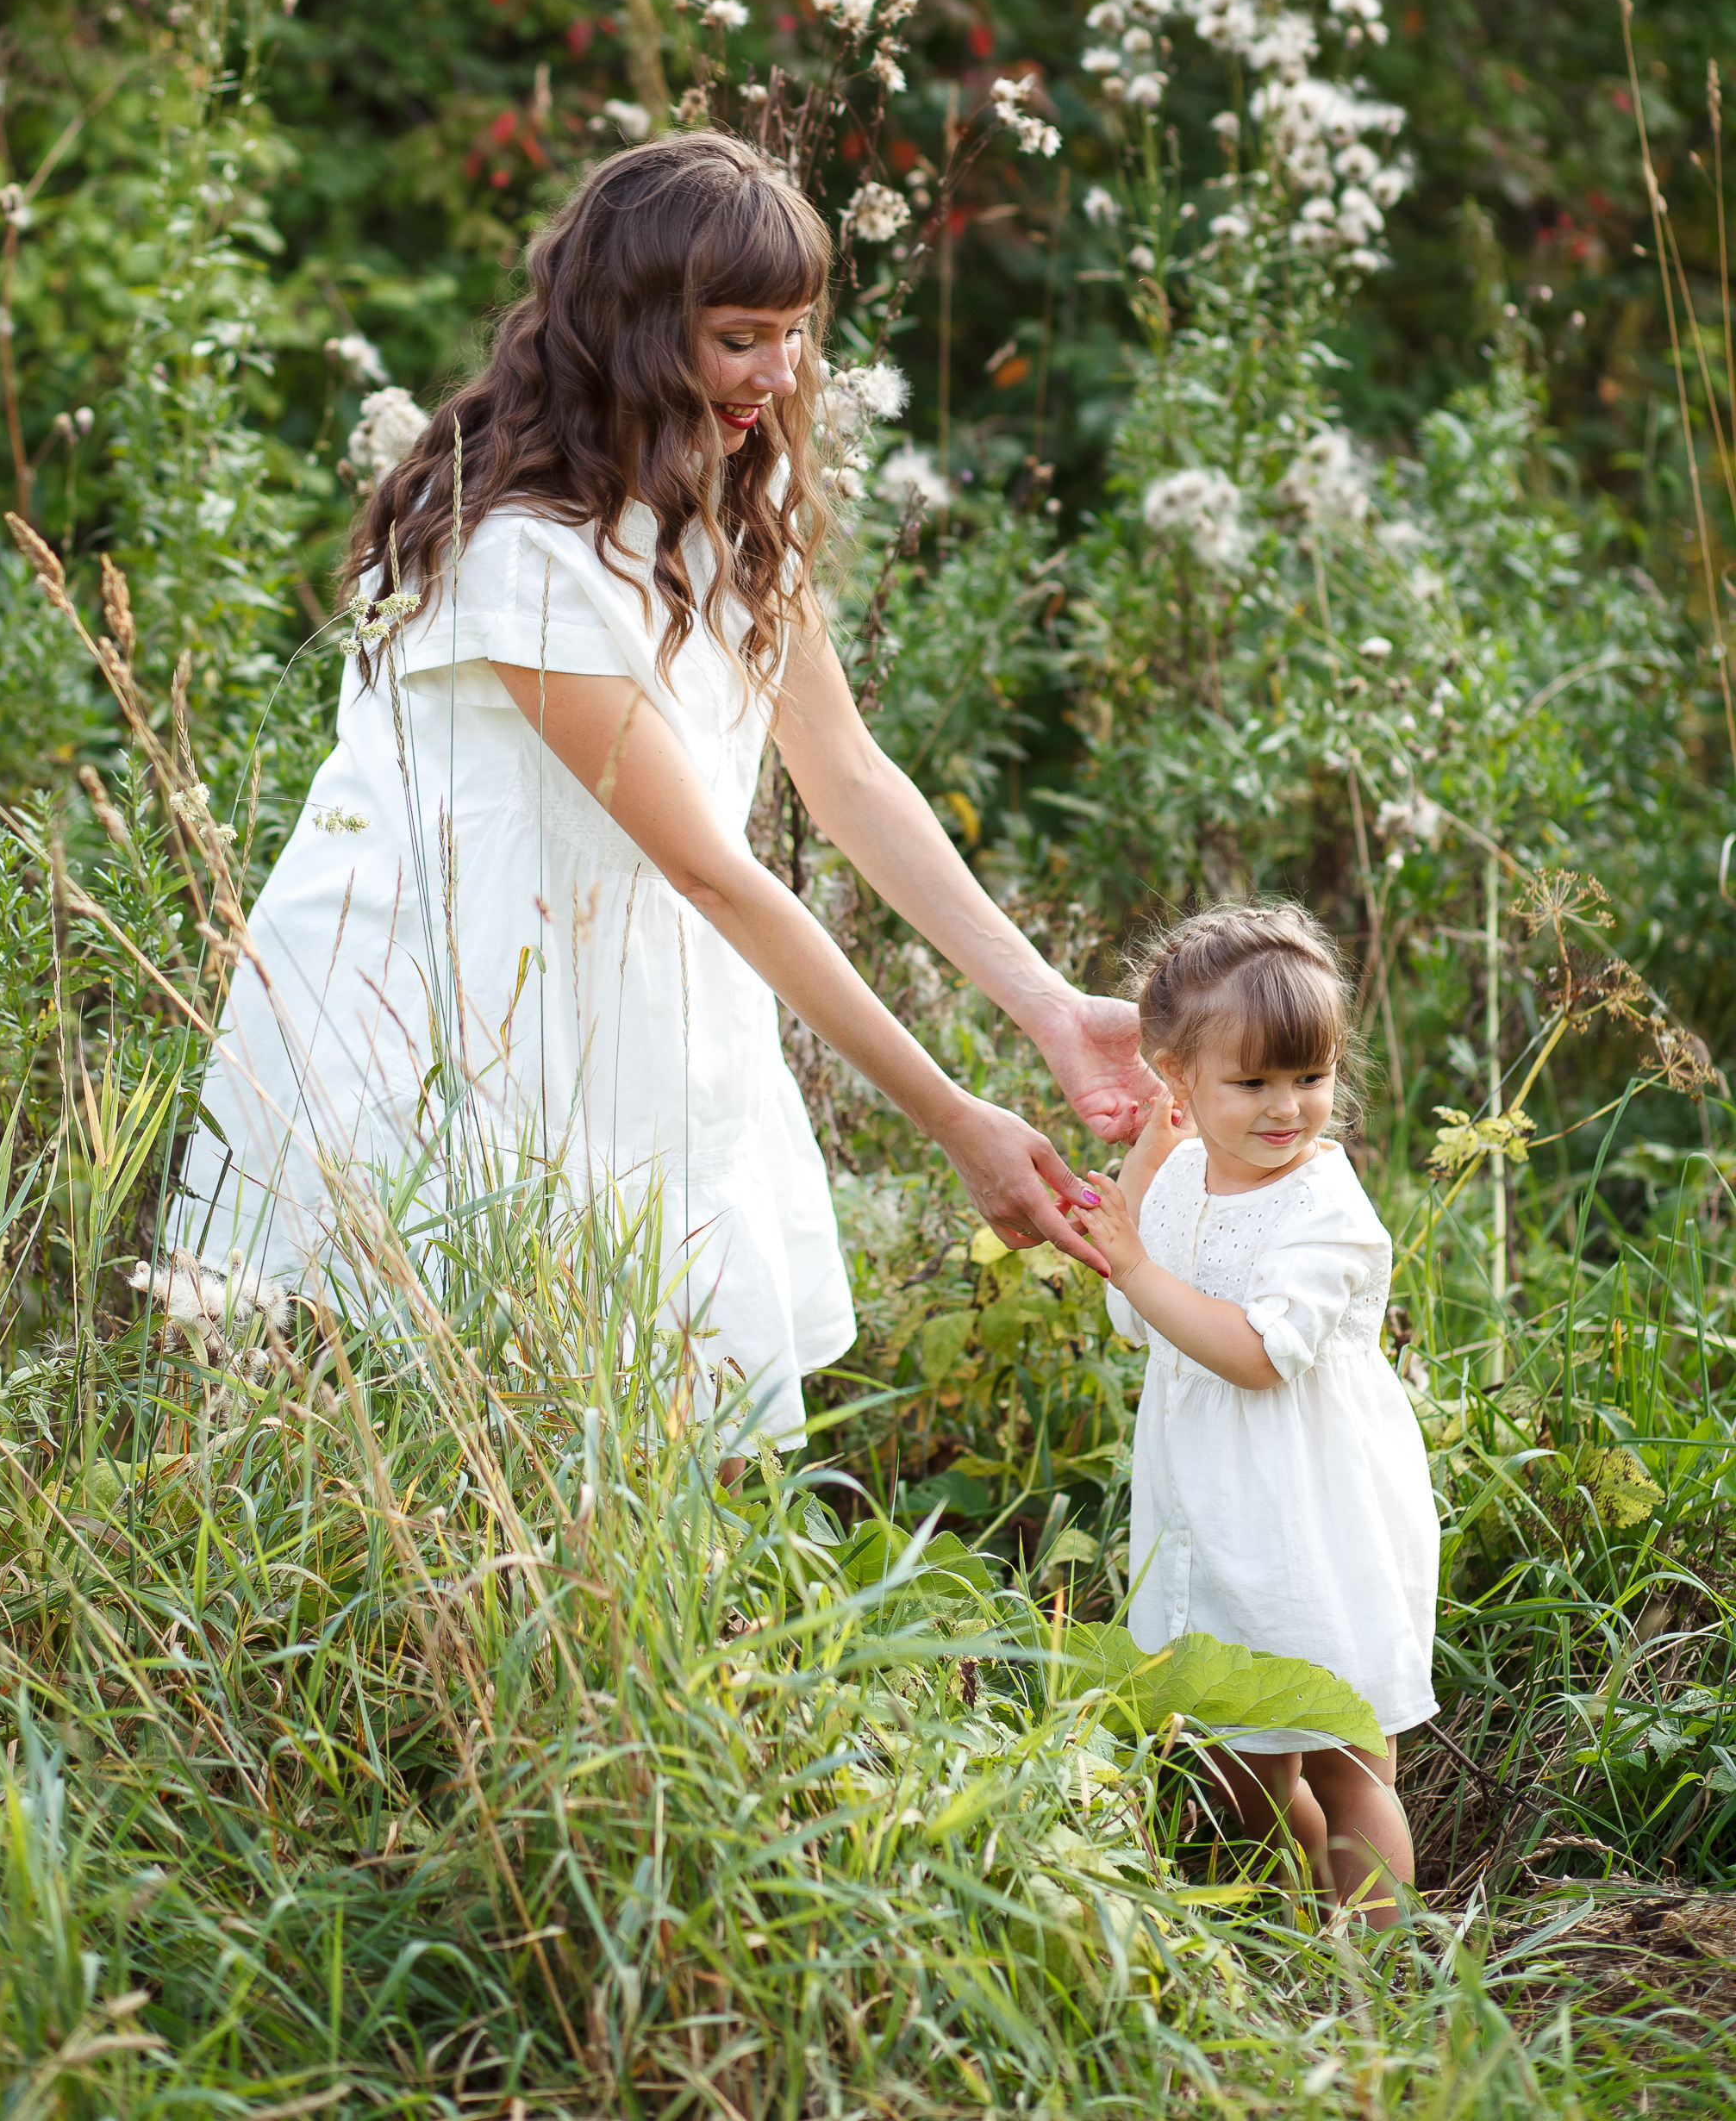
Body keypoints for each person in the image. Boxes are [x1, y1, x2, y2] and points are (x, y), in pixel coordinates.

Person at [171, 131, 1152, 1439]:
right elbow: (707, 867)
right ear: (634, 326)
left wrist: (1047, 1007)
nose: (781, 373)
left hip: (630, 998)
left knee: (672, 1435)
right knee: (444, 1437)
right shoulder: (514, 553)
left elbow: (847, 776)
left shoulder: (733, 496)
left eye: (797, 332)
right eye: (742, 336)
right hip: (449, 1024)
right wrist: (951, 1118)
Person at [1069, 901, 1439, 1927]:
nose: (1287, 1108)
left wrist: (1137, 1262)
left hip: (1317, 1514)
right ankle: (1289, 1959)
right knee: (1241, 1764)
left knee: (1344, 1750)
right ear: (1177, 1079)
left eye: (1310, 1078)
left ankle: (1386, 1979)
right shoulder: (1185, 1167)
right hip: (1212, 1510)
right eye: (1252, 1083)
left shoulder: (1326, 1207)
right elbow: (1137, 1317)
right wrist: (1140, 1170)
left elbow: (1255, 1355)